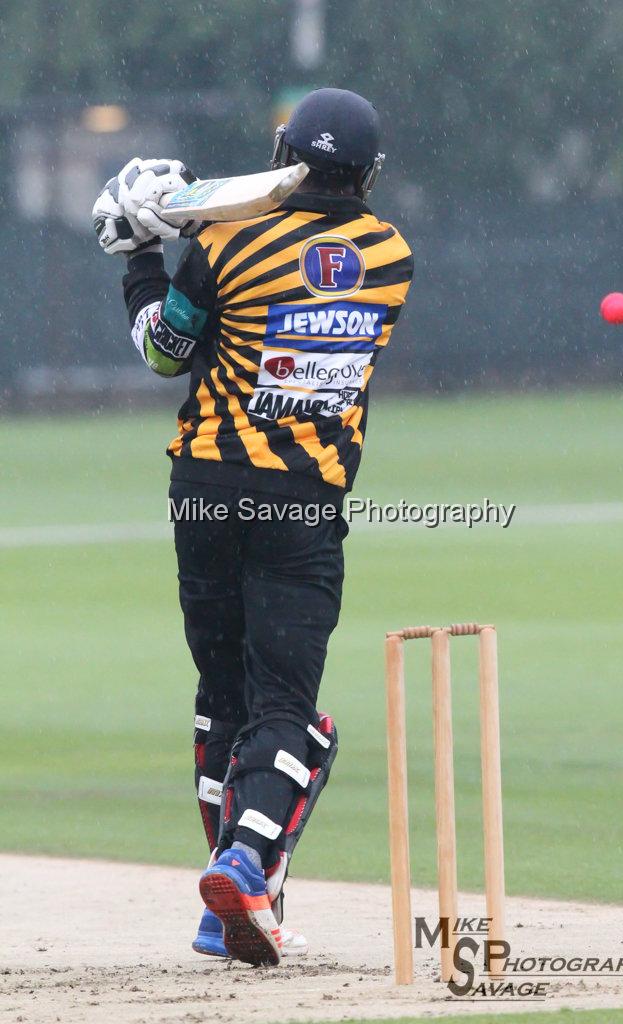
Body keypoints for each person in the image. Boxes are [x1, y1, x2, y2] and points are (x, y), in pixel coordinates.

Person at [93, 87, 413, 967]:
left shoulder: (226, 243)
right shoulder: (390, 256)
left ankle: (222, 908)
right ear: (369, 176)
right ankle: (246, 865)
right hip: (300, 501)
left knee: (223, 699)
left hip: (202, 491)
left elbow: (166, 351)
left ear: (285, 154)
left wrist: (143, 254)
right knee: (289, 716)